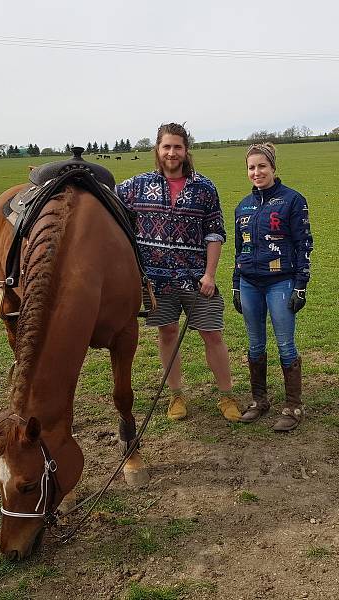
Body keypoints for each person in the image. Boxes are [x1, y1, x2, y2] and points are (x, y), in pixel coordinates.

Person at [116, 123, 241, 423]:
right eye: (166, 147)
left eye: (178, 147)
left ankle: (226, 395)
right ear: (157, 150)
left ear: (186, 151)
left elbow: (215, 234)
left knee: (213, 334)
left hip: (197, 278)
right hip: (155, 282)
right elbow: (105, 200)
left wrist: (210, 275)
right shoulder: (136, 186)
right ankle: (176, 395)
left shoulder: (204, 188)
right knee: (167, 333)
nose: (172, 153)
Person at [232, 143, 313, 432]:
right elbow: (239, 249)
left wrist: (301, 285)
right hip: (249, 282)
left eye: (262, 166)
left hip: (281, 281)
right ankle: (259, 400)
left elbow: (304, 244)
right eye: (251, 167)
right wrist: (235, 285)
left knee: (285, 344)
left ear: (273, 167)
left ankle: (293, 405)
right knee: (255, 344)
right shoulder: (243, 206)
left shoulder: (292, 200)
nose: (257, 172)